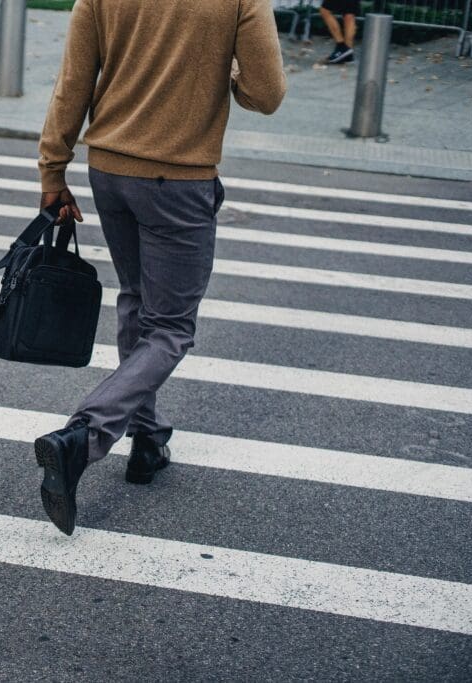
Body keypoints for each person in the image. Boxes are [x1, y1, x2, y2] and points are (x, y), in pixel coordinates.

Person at [33, 0, 287, 535]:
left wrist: (53, 168)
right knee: (170, 327)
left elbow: (73, 83)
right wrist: (227, 74)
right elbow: (266, 94)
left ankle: (147, 440)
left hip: (109, 170)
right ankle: (87, 432)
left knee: (137, 300)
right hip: (180, 178)